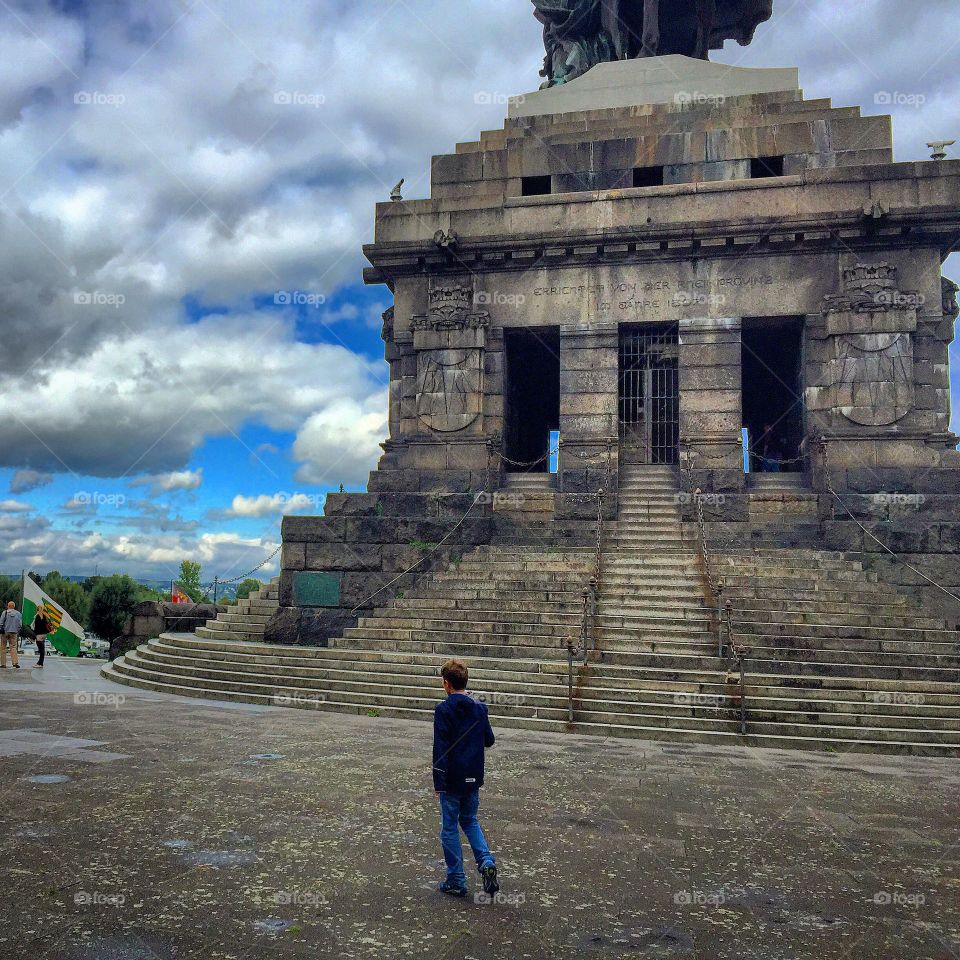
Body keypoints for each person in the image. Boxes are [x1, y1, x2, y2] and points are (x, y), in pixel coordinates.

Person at [432, 658, 500, 899]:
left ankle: (456, 879)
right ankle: (485, 861)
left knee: (449, 827)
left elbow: (440, 748)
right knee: (470, 821)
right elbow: (489, 740)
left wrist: (438, 782)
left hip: (452, 779)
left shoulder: (443, 710)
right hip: (473, 776)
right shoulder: (479, 709)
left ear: (447, 684)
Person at [0, 601, 22, 669]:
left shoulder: (5, 612)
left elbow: (1, 622)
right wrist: (17, 630)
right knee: (13, 647)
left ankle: (3, 664)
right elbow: (20, 625)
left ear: (8, 606)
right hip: (14, 633)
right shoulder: (18, 613)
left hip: (5, 632)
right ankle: (15, 663)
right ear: (14, 606)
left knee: (3, 647)